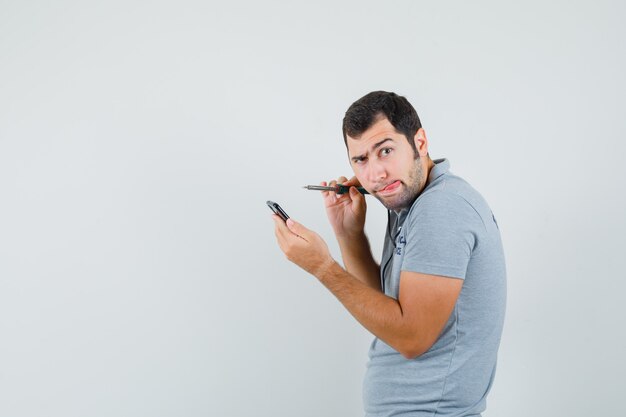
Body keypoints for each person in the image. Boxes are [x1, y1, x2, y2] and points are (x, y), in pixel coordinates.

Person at [272, 91, 506, 417]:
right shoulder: (411, 205)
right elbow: (387, 316)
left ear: (420, 143)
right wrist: (347, 233)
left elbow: (411, 337)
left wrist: (323, 267)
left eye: (385, 151)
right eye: (361, 160)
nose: (375, 174)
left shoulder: (441, 207)